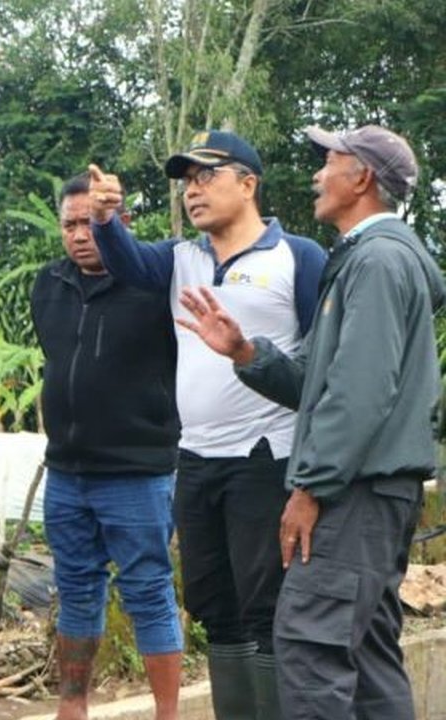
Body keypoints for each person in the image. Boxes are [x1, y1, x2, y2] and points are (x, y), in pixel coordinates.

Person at [175, 125, 441, 720]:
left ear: (361, 178)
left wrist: (310, 487)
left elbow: (358, 395)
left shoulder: (377, 262)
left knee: (309, 644)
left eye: (330, 163)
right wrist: (247, 353)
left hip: (357, 491)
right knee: (367, 656)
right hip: (373, 489)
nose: (317, 176)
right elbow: (323, 385)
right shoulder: (366, 260)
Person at [88, 130, 327, 720]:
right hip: (196, 458)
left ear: (248, 184)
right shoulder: (180, 259)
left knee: (266, 607)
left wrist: (314, 477)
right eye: (187, 182)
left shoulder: (297, 257)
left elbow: (326, 371)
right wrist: (106, 218)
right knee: (214, 606)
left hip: (267, 457)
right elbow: (124, 260)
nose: (192, 191)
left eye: (206, 177)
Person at [32, 173, 182, 720]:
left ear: (120, 223)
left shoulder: (154, 283)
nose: (79, 235)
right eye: (69, 224)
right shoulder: (49, 284)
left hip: (138, 471)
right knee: (75, 589)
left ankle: (168, 713)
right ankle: (72, 707)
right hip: (67, 472)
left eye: (90, 224)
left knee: (148, 590)